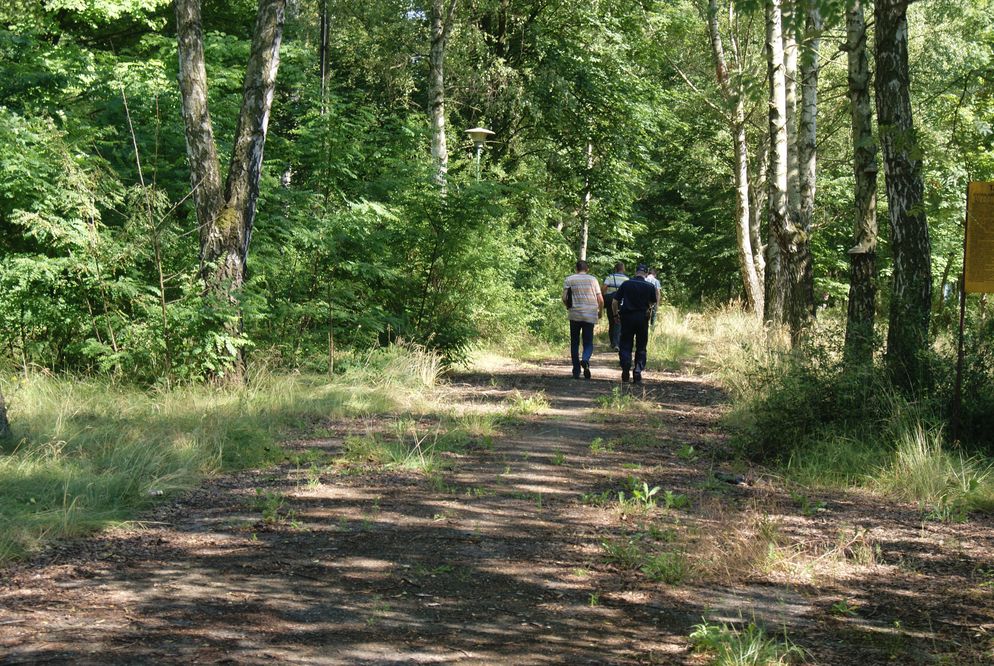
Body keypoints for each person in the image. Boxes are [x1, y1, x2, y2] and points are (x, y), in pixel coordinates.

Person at [611, 263, 660, 383]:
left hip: (627, 317)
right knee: (641, 346)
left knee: (625, 343)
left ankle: (626, 366)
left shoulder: (626, 284)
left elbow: (614, 302)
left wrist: (615, 315)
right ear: (646, 273)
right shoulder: (649, 286)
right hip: (642, 319)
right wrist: (648, 309)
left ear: (635, 272)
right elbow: (653, 302)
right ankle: (637, 371)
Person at [563, 259, 604, 379]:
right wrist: (600, 312)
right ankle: (585, 359)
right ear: (587, 269)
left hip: (574, 314)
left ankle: (576, 370)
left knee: (574, 342)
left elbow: (564, 297)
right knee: (588, 342)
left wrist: (568, 307)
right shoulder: (593, 279)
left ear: (576, 269)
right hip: (590, 315)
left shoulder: (569, 279)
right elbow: (600, 300)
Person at [602, 262, 628, 350]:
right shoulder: (627, 279)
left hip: (610, 301)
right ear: (623, 269)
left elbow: (604, 287)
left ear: (615, 269)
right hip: (621, 302)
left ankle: (613, 343)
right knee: (619, 321)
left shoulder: (610, 277)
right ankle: (617, 343)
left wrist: (604, 295)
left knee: (611, 321)